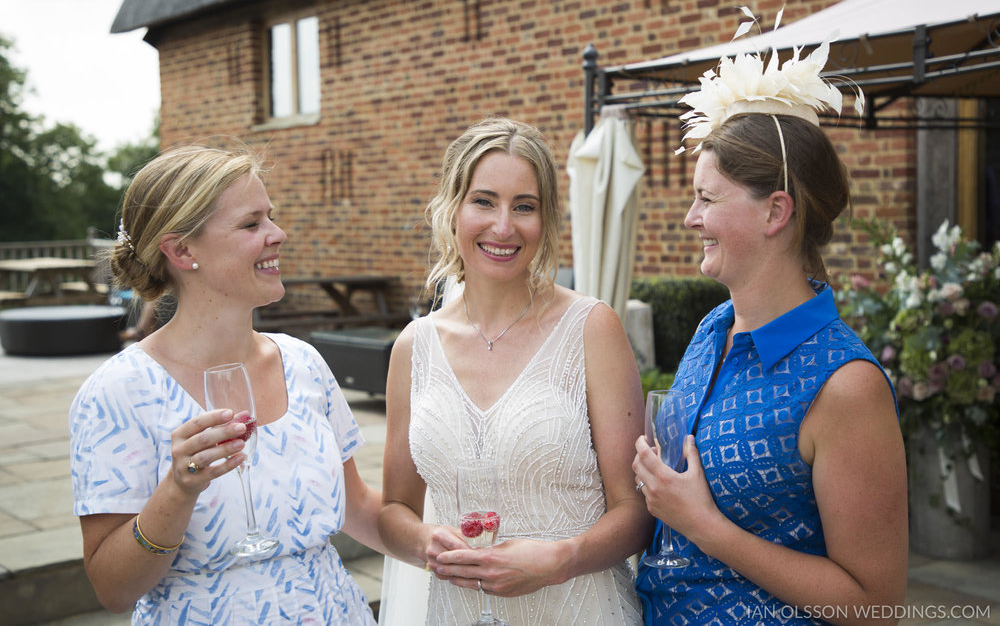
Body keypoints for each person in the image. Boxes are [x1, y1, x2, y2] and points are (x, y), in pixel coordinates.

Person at [631, 31, 909, 623]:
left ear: (775, 212)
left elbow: (874, 605)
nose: (690, 218)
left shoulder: (845, 385)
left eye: (706, 199)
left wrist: (705, 526)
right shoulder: (713, 329)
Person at [69, 143, 385, 624]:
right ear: (181, 250)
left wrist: (441, 543)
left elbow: (357, 505)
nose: (278, 234)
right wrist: (177, 490)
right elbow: (113, 589)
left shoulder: (302, 362)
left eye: (271, 218)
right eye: (251, 223)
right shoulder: (117, 392)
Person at [378, 117, 653, 625]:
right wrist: (425, 541)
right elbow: (395, 509)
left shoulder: (591, 328)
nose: (503, 226)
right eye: (484, 201)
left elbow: (634, 513)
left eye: (524, 206)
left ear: (545, 221)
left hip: (580, 608)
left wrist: (561, 559)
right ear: (451, 209)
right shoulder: (413, 348)